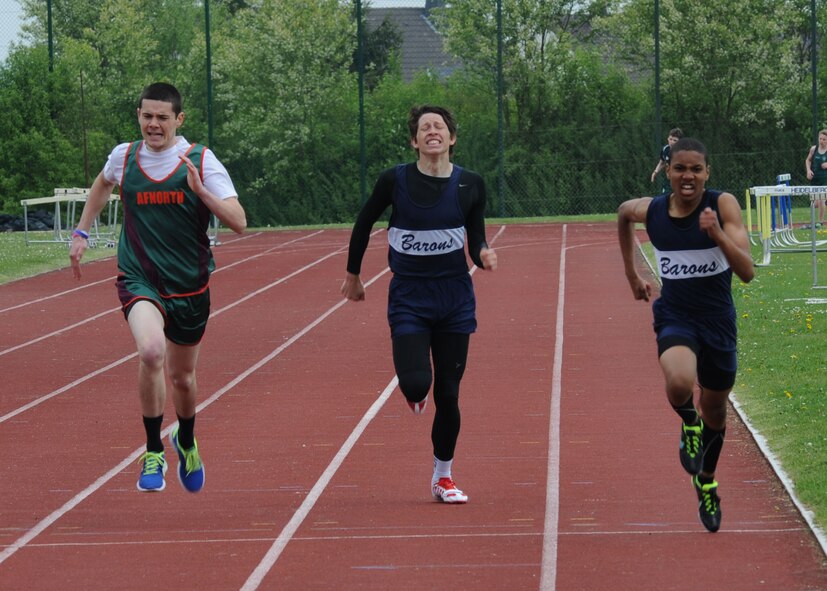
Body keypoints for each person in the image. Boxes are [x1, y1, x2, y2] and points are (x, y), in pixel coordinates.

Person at [69, 82, 247, 493]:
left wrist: (202, 192)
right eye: (146, 116)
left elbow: (239, 220)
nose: (153, 124)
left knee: (182, 378)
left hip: (188, 287)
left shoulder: (200, 160)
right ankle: (153, 451)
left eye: (162, 117)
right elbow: (102, 184)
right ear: (138, 116)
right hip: (139, 278)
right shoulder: (124, 156)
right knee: (150, 351)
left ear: (178, 120)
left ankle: (185, 438)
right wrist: (81, 231)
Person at [341, 105, 497, 504]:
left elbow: (476, 240)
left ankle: (443, 476)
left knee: (449, 393)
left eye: (439, 126)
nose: (432, 131)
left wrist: (484, 253)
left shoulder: (471, 184)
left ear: (451, 137)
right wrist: (353, 275)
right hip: (410, 296)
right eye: (424, 127)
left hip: (454, 300)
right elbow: (364, 223)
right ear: (414, 141)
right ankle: (416, 391)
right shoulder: (395, 180)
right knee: (415, 383)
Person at [618, 137, 754, 532]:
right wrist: (632, 276)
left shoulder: (723, 204)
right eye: (680, 169)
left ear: (707, 172)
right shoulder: (655, 210)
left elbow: (746, 272)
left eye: (696, 169)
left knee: (717, 408)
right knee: (679, 382)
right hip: (676, 315)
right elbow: (624, 214)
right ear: (668, 172)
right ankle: (687, 421)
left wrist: (718, 236)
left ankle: (707, 481)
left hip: (717, 322)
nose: (688, 176)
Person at [804, 129, 827, 228]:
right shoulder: (814, 149)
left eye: (824, 139)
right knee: (815, 203)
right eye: (820, 139)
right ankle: (813, 222)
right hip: (815, 179)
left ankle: (820, 222)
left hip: (825, 179)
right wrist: (808, 170)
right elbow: (808, 160)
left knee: (822, 200)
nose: (821, 141)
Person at [650, 128, 684, 193]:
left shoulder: (683, 152)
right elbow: (662, 162)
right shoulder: (665, 149)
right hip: (669, 181)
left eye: (675, 140)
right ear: (668, 138)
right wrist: (655, 172)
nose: (672, 142)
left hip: (680, 181)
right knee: (665, 198)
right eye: (670, 139)